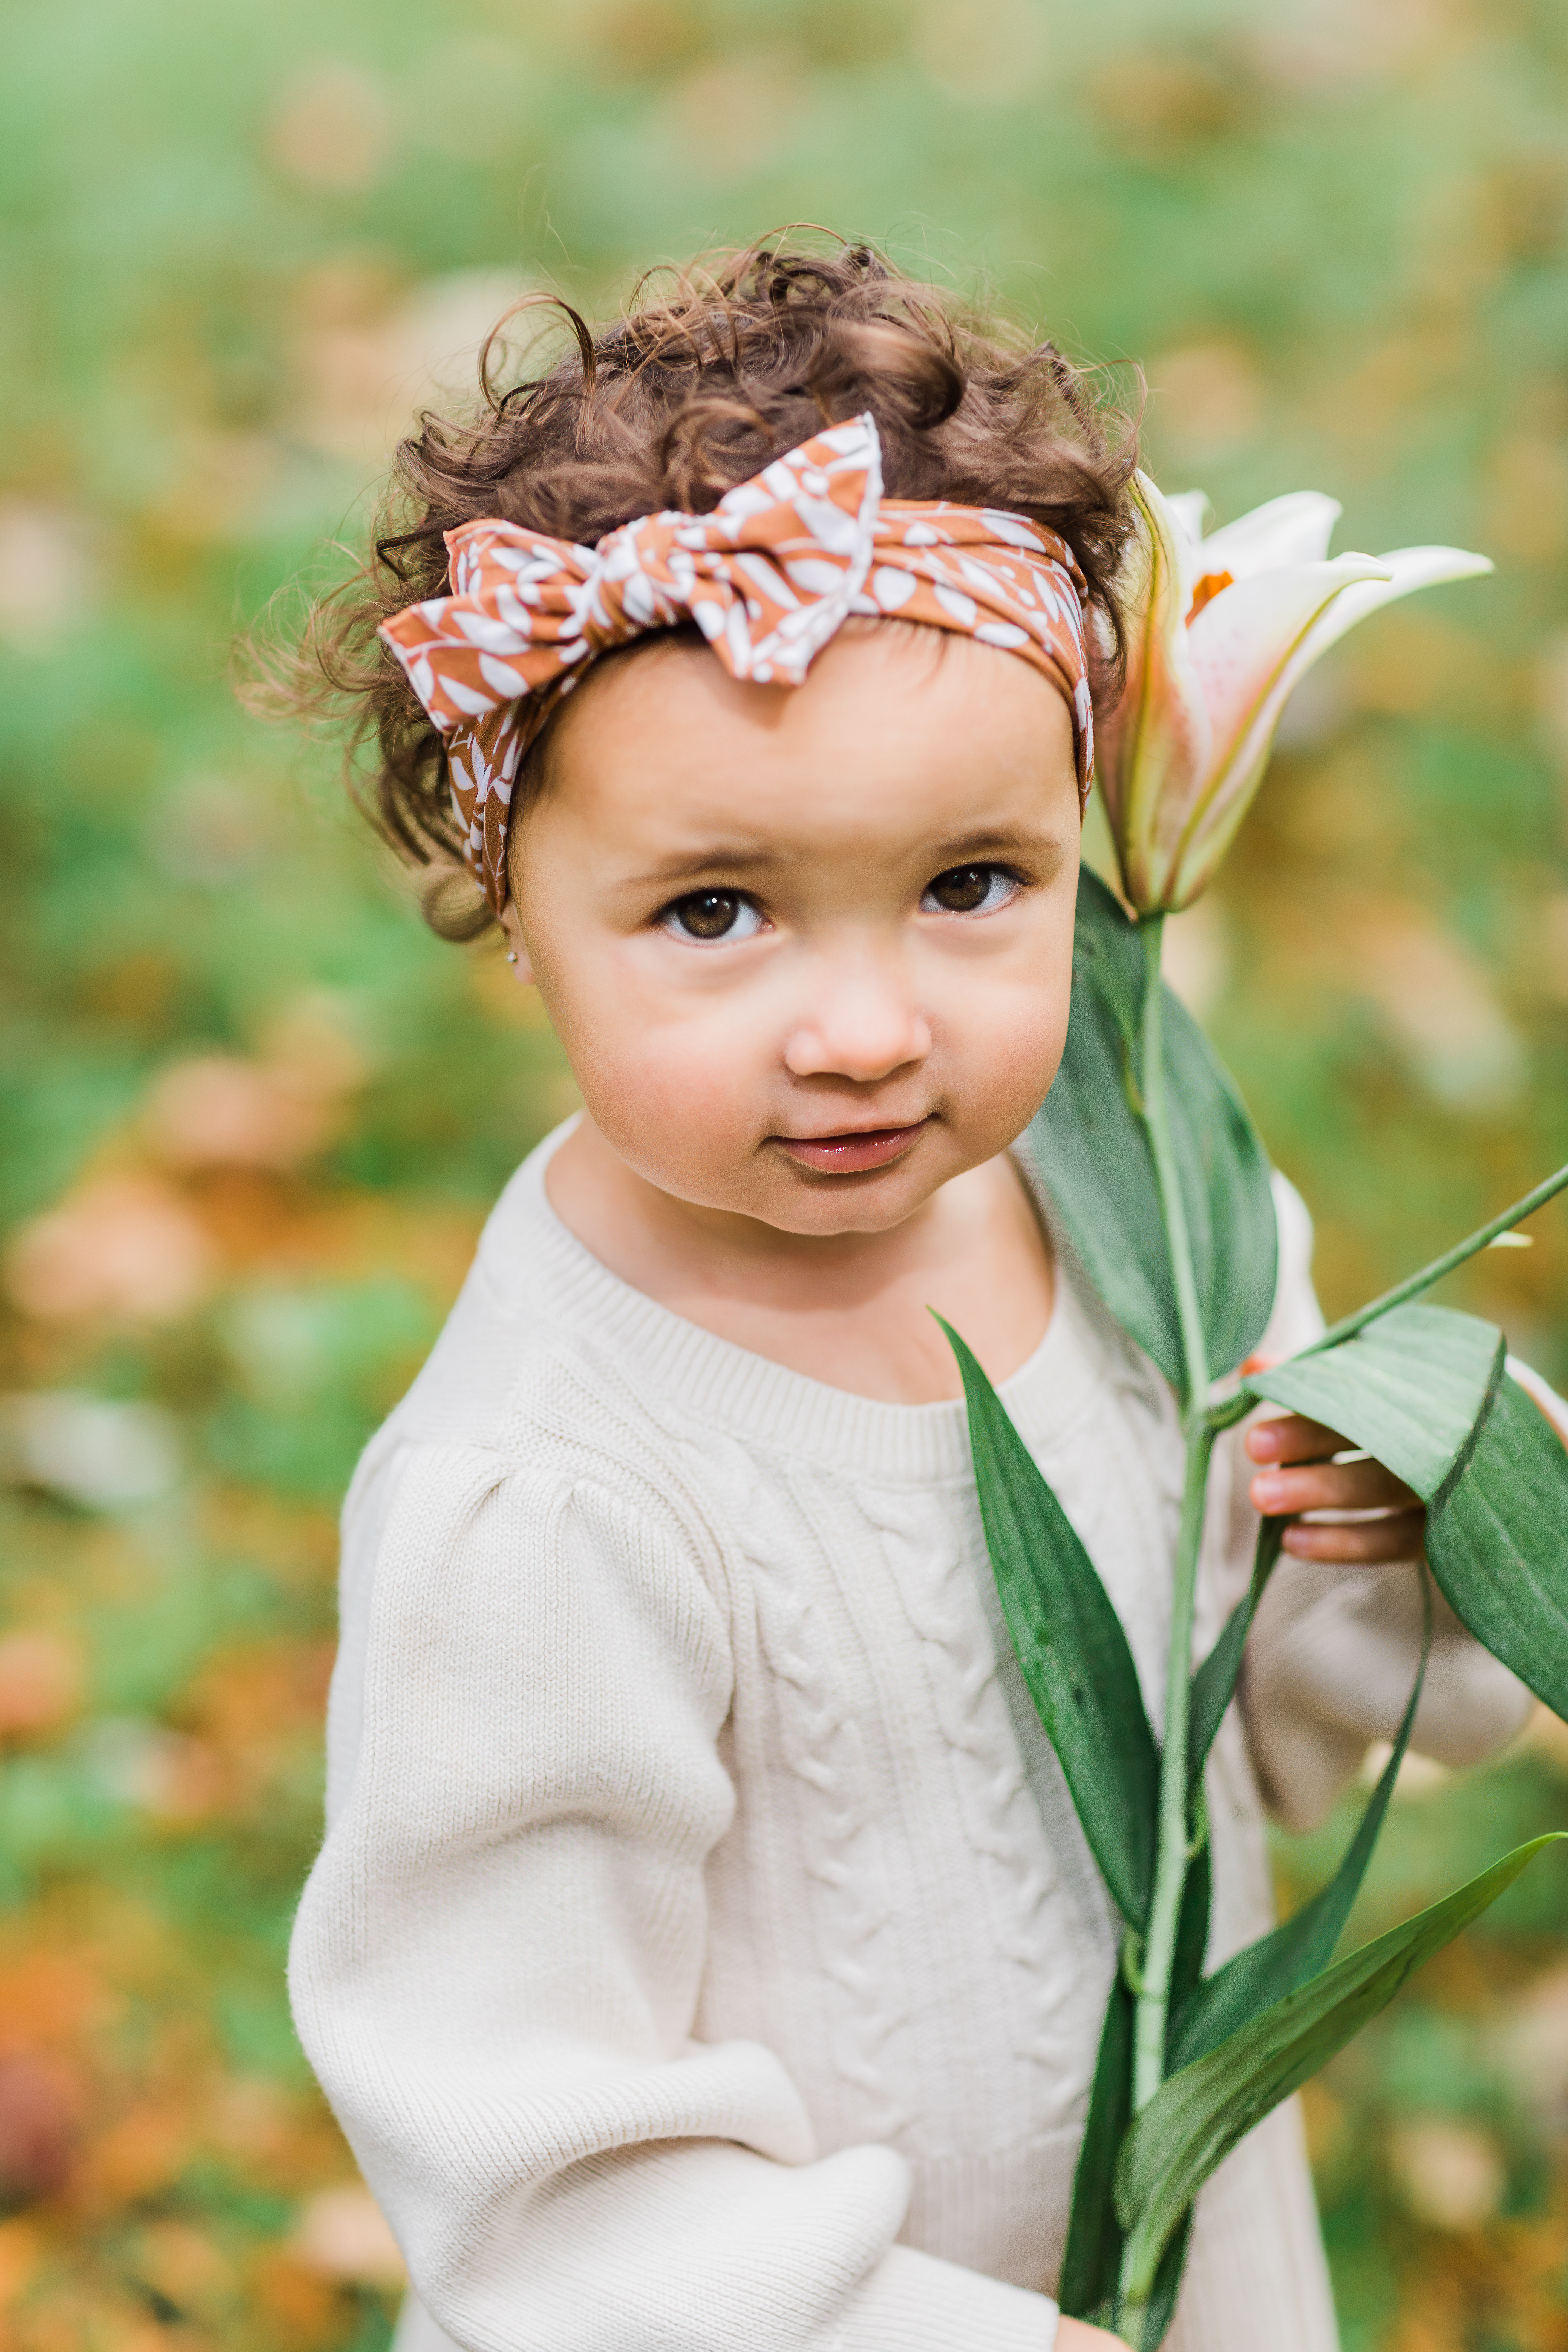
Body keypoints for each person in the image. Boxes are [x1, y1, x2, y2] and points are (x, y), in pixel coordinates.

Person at [282, 242, 1536, 2352]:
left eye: (972, 887)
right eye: (714, 910)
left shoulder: (1150, 1210)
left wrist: (1413, 1527)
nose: (863, 1029)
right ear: (516, 914)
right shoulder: (547, 1505)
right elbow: (524, 2161)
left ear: (1085, 836)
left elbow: (1297, 1736)